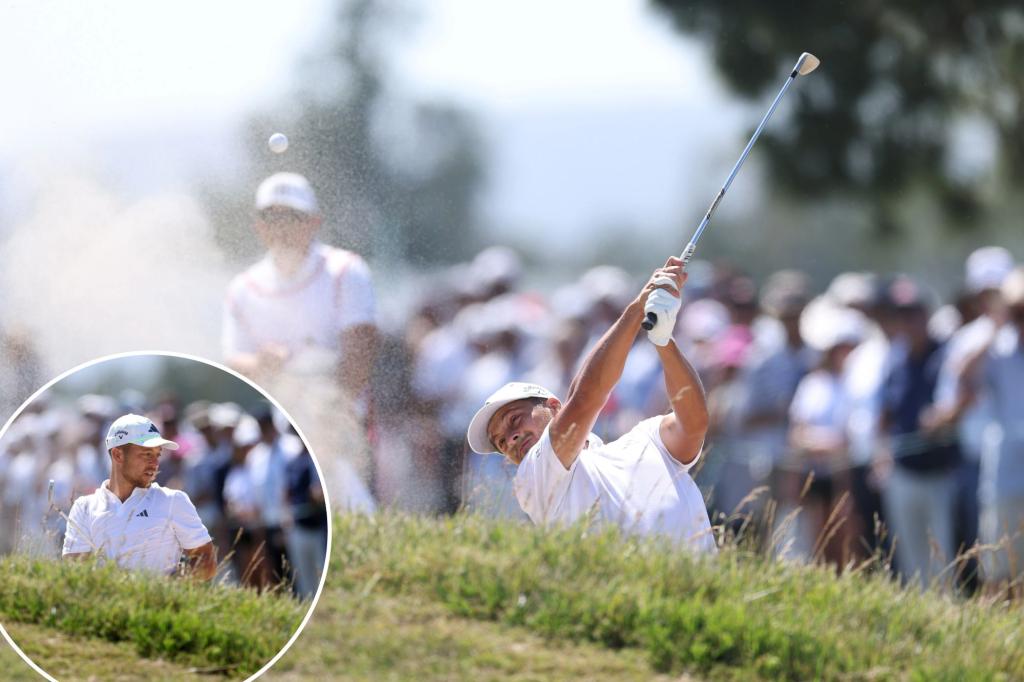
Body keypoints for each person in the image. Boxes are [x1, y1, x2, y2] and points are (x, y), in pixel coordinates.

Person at [466, 257, 715, 552]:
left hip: (706, 593)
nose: (511, 438)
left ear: (554, 406)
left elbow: (694, 423)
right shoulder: (533, 480)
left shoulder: (645, 440)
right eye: (501, 442)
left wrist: (663, 340)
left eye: (515, 420)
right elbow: (586, 398)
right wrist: (638, 309)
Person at [222, 172, 378, 509]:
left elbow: (360, 350)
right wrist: (261, 363)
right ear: (258, 225)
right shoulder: (244, 288)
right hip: (283, 427)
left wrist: (330, 415)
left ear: (313, 222)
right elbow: (235, 359)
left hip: (340, 422)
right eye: (272, 217)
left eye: (292, 217)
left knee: (350, 509)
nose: (282, 228)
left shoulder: (344, 270)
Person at [62, 414, 216, 581]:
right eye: (146, 454)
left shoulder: (174, 500)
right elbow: (75, 571)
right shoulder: (84, 507)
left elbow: (206, 562)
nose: (155, 463)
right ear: (118, 455)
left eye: (158, 455)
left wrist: (166, 592)